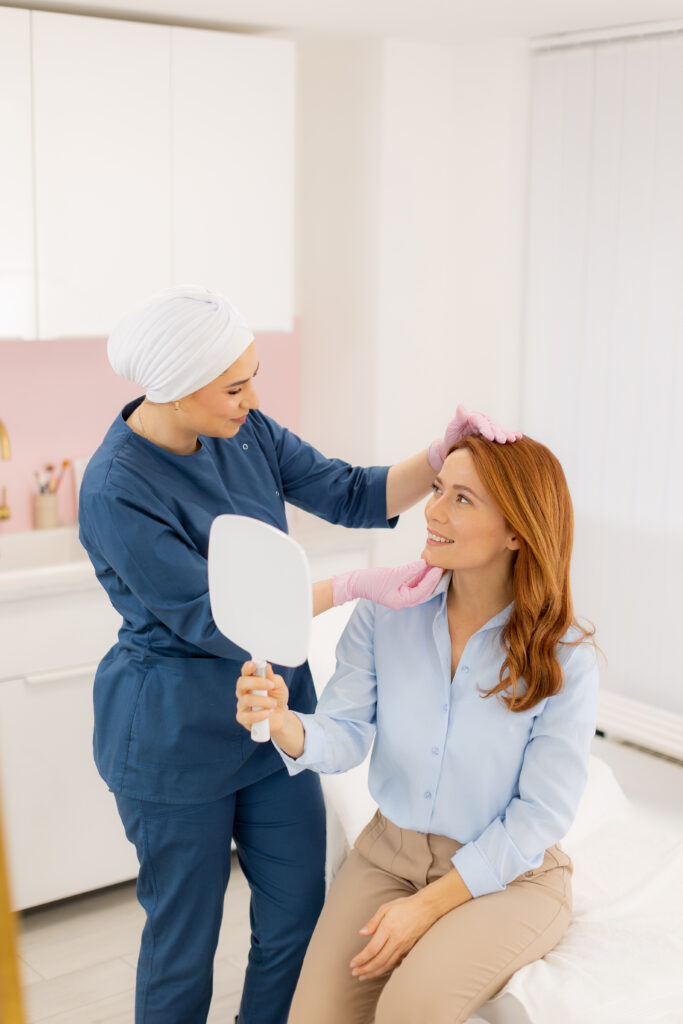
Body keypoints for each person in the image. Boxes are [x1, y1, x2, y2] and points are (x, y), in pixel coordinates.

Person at [77, 285, 519, 1024]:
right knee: (183, 942)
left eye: (252, 375)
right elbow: (211, 616)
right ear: (178, 388)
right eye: (235, 385)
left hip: (275, 726)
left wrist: (439, 453)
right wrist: (349, 584)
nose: (252, 395)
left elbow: (350, 492)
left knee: (292, 920)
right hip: (174, 738)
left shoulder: (241, 429)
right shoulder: (116, 487)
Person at [237, 432, 599, 1024]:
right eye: (437, 490)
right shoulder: (385, 611)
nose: (431, 510)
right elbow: (344, 732)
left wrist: (427, 907)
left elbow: (540, 815)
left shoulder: (564, 655)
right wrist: (282, 722)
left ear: (516, 530)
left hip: (509, 876)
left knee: (410, 1009)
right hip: (387, 855)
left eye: (462, 499)